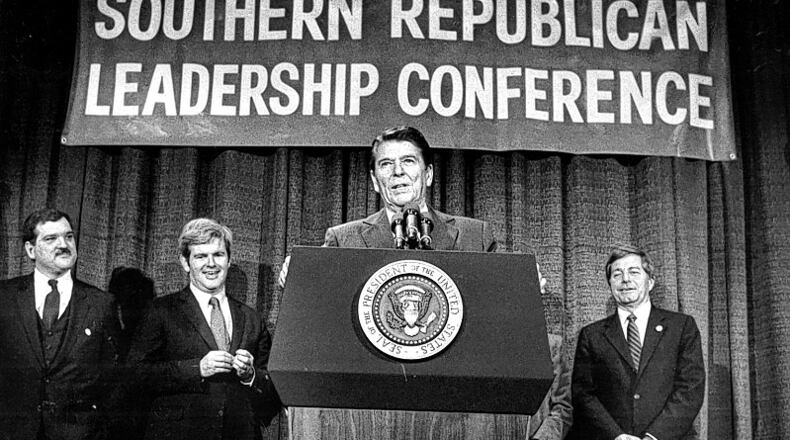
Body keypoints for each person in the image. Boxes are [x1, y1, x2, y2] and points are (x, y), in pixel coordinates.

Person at [279, 126, 569, 438]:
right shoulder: (343, 239)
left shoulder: (474, 235)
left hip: (458, 418)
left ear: (428, 174)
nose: (398, 172)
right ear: (375, 180)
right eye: (386, 164)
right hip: (369, 417)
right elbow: (319, 320)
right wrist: (300, 280)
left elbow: (496, 321)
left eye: (408, 162)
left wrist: (520, 289)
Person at [126, 218, 280, 440]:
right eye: (200, 256)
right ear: (185, 263)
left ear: (229, 260)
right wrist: (196, 368)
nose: (211, 264)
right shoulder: (160, 311)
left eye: (218, 255)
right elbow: (135, 376)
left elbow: (272, 394)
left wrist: (251, 376)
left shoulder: (252, 319)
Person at [0, 208, 120, 440]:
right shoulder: (4, 297)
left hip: (79, 433)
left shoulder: (101, 303)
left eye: (68, 236)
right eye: (50, 238)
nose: (63, 244)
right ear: (30, 249)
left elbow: (114, 378)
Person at [571, 244, 705, 440]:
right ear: (610, 284)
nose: (625, 279)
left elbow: (690, 389)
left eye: (634, 272)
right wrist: (616, 436)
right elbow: (583, 395)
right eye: (617, 274)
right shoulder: (592, 335)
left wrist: (653, 437)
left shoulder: (681, 327)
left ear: (650, 282)